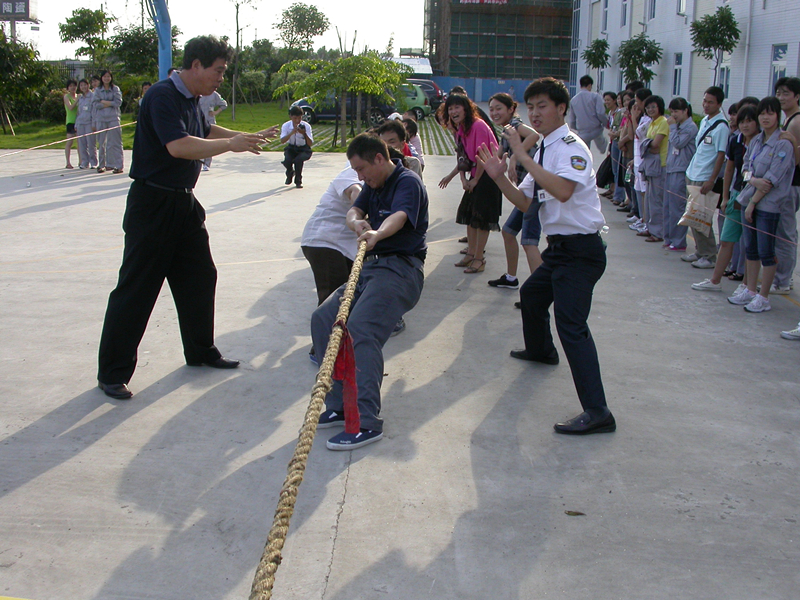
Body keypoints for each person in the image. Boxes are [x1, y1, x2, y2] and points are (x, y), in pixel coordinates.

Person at [96, 35, 278, 400]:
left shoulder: (193, 99)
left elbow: (204, 130)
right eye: (218, 71)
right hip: (153, 204)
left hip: (183, 204)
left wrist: (243, 136)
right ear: (195, 65)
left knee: (200, 276)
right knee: (138, 288)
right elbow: (179, 146)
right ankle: (112, 372)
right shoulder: (162, 96)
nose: (220, 78)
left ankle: (200, 351)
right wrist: (231, 145)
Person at [477, 77, 613, 436]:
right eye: (531, 106)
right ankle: (541, 351)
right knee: (533, 295)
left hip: (582, 252)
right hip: (561, 250)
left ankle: (598, 412)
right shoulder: (542, 150)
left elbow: (564, 191)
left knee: (572, 326)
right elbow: (525, 203)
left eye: (543, 106)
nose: (535, 113)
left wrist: (520, 156)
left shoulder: (570, 147)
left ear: (561, 109)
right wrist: (498, 177)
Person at [311, 133, 428, 450]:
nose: (360, 177)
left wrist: (377, 232)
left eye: (362, 169)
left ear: (379, 158)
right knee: (323, 320)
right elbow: (355, 209)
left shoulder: (407, 182)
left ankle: (365, 421)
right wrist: (355, 223)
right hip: (370, 269)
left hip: (400, 270)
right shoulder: (371, 186)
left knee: (360, 330)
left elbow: (400, 217)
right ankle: (339, 404)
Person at [727, 97, 796, 313]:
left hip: (768, 205)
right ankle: (749, 289)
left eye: (770, 113)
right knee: (751, 249)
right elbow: (746, 168)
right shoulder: (756, 141)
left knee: (767, 252)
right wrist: (752, 179)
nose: (765, 118)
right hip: (751, 200)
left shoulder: (783, 143)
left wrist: (752, 200)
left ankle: (763, 296)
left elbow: (771, 180)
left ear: (777, 116)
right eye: (762, 114)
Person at [692, 104, 758, 292]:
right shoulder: (735, 141)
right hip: (737, 193)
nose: (745, 125)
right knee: (727, 239)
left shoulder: (760, 143)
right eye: (741, 121)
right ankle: (715, 281)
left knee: (749, 243)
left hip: (754, 196)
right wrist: (726, 196)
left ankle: (747, 285)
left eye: (749, 121)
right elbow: (730, 169)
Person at [301, 165, 363, 364]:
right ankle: (321, 352)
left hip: (344, 246)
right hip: (323, 241)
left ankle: (338, 347)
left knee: (347, 297)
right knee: (332, 299)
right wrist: (362, 215)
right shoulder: (351, 173)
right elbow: (356, 192)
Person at [484, 92, 542, 290]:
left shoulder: (515, 126)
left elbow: (534, 135)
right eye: (491, 109)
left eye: (499, 108)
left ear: (511, 109)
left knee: (529, 242)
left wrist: (516, 157)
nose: (494, 112)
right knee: (509, 232)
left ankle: (539, 290)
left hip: (537, 192)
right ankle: (510, 278)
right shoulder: (505, 132)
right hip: (525, 193)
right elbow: (498, 155)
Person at [444, 93, 501, 274]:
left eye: (457, 107)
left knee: (481, 219)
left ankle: (479, 259)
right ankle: (471, 253)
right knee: (470, 217)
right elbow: (463, 157)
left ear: (466, 108)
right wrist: (463, 179)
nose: (453, 111)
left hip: (488, 176)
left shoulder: (478, 126)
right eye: (450, 108)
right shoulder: (461, 129)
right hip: (475, 175)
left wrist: (475, 179)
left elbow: (485, 155)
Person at [682, 86, 729, 268]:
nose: (706, 105)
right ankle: (700, 251)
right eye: (704, 101)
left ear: (719, 104)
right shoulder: (704, 121)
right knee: (693, 216)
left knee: (703, 218)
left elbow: (720, 155)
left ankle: (709, 255)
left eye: (710, 102)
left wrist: (712, 179)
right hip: (693, 172)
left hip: (704, 177)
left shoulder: (721, 126)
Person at [774, 76, 800, 294]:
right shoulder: (788, 120)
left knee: (786, 233)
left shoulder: (796, 121)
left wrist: (792, 142)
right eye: (778, 93)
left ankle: (783, 280)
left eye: (786, 93)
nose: (781, 97)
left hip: (791, 184)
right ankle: (781, 277)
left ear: (797, 97)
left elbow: (795, 159)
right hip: (786, 184)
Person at [664, 97, 697, 251]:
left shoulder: (690, 127)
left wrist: (671, 128)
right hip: (671, 168)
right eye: (671, 111)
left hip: (681, 170)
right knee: (668, 206)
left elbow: (678, 143)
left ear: (685, 111)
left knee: (677, 207)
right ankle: (669, 237)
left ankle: (679, 241)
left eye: (676, 111)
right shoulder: (677, 126)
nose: (673, 115)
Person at [641, 95, 669, 243]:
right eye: (648, 107)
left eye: (653, 106)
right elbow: (647, 143)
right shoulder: (652, 123)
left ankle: (658, 232)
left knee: (657, 200)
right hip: (650, 165)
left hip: (660, 165)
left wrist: (647, 144)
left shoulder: (663, 122)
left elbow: (655, 144)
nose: (650, 110)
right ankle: (651, 228)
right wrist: (648, 144)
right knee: (650, 199)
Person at [92, 70, 124, 174]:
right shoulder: (97, 90)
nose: (106, 78)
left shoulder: (115, 89)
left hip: (113, 118)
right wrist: (110, 103)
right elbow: (96, 104)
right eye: (104, 76)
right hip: (101, 119)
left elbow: (118, 102)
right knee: (101, 143)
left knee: (116, 143)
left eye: (108, 76)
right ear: (101, 78)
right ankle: (101, 165)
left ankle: (119, 166)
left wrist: (104, 102)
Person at [567, 75, 607, 153]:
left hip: (583, 131)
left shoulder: (574, 100)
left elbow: (572, 120)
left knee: (584, 152)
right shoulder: (595, 96)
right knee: (602, 144)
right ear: (589, 85)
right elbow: (600, 113)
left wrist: (576, 127)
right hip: (596, 129)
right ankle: (604, 150)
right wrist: (605, 123)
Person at [280, 106, 313, 188]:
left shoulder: (306, 126)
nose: (297, 121)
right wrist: (291, 133)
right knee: (287, 161)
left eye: (299, 118)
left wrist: (304, 134)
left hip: (303, 149)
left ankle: (298, 181)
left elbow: (310, 143)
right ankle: (290, 173)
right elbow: (282, 141)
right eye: (295, 118)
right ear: (290, 117)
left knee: (298, 160)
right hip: (291, 147)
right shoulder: (286, 126)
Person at [198, 90, 228, 170]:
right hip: (198, 121)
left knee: (209, 142)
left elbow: (224, 104)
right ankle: (198, 162)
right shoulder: (197, 93)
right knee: (198, 142)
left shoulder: (215, 95)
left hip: (209, 121)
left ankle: (207, 164)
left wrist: (216, 112)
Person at [75, 79, 97, 170]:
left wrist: (94, 123)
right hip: (80, 123)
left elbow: (94, 111)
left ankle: (93, 162)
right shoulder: (80, 98)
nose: (83, 87)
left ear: (88, 85)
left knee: (91, 143)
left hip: (89, 123)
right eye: (81, 85)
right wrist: (76, 124)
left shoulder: (92, 96)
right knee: (82, 144)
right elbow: (78, 112)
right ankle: (84, 162)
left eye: (85, 85)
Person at [63, 79, 78, 169]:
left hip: (79, 121)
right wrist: (77, 100)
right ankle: (68, 162)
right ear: (68, 87)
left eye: (74, 86)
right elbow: (70, 108)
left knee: (80, 142)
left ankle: (81, 162)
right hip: (70, 122)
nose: (73, 88)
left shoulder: (78, 96)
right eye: (71, 86)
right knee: (70, 142)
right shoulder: (66, 96)